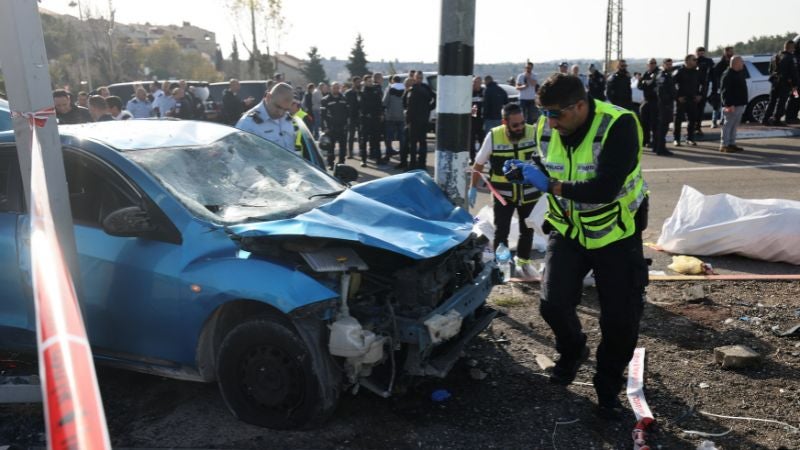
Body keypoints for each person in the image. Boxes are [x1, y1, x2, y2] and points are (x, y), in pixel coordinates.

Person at [504, 73, 649, 420]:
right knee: (552, 305)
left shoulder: (619, 125)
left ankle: (607, 387)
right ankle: (573, 352)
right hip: (568, 231)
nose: (550, 123)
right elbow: (545, 163)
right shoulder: (546, 126)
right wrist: (526, 171)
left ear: (581, 105)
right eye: (547, 114)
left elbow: (604, 189)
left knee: (620, 320)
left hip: (615, 235)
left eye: (557, 114)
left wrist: (550, 185)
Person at [468, 103, 541, 281]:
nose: (520, 128)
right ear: (504, 122)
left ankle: (523, 262)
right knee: (502, 232)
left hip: (530, 193)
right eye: (515, 125)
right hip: (504, 196)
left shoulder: (533, 132)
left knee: (528, 230)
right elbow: (478, 164)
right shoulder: (493, 136)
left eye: (522, 123)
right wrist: (472, 187)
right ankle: (503, 265)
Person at [236, 83, 296, 151]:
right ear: (268, 97)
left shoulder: (286, 118)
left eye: (286, 109)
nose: (281, 113)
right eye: (278, 107)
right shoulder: (248, 124)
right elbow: (240, 157)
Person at [403, 71, 436, 170]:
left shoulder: (425, 88)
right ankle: (412, 164)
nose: (419, 79)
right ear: (414, 77)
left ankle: (422, 163)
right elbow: (404, 102)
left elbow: (434, 98)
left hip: (422, 119)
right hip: (412, 120)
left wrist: (428, 109)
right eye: (417, 77)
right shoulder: (410, 89)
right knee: (412, 143)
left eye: (421, 78)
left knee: (422, 142)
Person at [762, 40, 799, 126]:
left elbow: (770, 70)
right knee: (782, 102)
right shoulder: (791, 58)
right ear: (791, 48)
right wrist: (796, 84)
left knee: (772, 101)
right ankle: (777, 119)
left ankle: (765, 118)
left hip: (775, 82)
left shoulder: (775, 56)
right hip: (785, 83)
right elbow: (793, 72)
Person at [719, 56, 748, 153]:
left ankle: (731, 144)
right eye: (741, 62)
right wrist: (728, 104)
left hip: (739, 103)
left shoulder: (739, 73)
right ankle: (724, 145)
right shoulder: (728, 75)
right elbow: (725, 91)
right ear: (735, 63)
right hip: (732, 105)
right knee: (728, 125)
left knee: (734, 125)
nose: (743, 64)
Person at [673, 54, 702, 146]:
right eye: (693, 59)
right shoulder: (679, 71)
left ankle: (690, 138)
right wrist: (678, 96)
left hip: (692, 99)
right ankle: (676, 139)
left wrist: (699, 95)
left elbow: (701, 84)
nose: (695, 61)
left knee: (692, 120)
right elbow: (672, 85)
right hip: (682, 100)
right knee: (678, 120)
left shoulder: (696, 72)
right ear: (687, 61)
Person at [320, 82, 350, 170]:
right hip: (331, 128)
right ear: (331, 88)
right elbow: (323, 115)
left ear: (339, 88)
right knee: (330, 147)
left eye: (337, 87)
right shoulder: (325, 99)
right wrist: (324, 127)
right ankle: (330, 163)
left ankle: (342, 163)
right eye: (334, 88)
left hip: (342, 127)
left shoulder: (344, 98)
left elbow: (348, 113)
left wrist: (347, 125)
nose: (336, 89)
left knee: (343, 147)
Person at [360, 76, 384, 167]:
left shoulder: (376, 91)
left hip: (375, 119)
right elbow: (361, 106)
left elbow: (379, 103)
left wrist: (381, 114)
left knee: (376, 139)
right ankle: (363, 160)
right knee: (364, 140)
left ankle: (379, 159)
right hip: (366, 119)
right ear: (365, 82)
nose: (370, 83)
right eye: (368, 81)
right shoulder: (362, 92)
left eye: (371, 81)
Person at [653, 58, 676, 156]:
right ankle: (660, 148)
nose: (670, 66)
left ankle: (659, 147)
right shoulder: (662, 75)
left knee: (663, 127)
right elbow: (661, 92)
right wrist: (667, 101)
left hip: (667, 104)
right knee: (663, 128)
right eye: (668, 64)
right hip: (664, 105)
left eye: (671, 64)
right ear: (663, 65)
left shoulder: (667, 75)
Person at [637, 59, 660, 148]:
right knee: (644, 122)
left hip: (656, 101)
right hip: (646, 100)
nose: (653, 64)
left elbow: (655, 85)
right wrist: (645, 82)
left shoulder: (658, 73)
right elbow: (640, 86)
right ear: (647, 64)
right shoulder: (646, 73)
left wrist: (646, 83)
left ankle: (655, 141)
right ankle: (646, 140)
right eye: (651, 63)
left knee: (655, 123)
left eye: (654, 63)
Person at [710, 46, 734, 128]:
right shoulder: (720, 64)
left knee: (726, 104)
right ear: (726, 52)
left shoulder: (732, 62)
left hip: (730, 86)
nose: (731, 53)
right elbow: (715, 76)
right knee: (717, 105)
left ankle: (723, 120)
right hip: (720, 87)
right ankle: (714, 121)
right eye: (730, 51)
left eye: (732, 51)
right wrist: (718, 86)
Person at [383, 75, 406, 159]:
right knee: (402, 137)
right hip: (401, 116)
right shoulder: (405, 89)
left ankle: (388, 154)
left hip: (391, 116)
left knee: (389, 136)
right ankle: (403, 154)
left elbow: (385, 102)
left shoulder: (389, 89)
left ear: (392, 81)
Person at [694, 46, 715, 136]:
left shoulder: (708, 61)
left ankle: (698, 127)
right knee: (693, 110)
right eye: (699, 52)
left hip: (704, 87)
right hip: (693, 88)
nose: (701, 54)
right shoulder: (694, 61)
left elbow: (713, 73)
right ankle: (692, 128)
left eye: (702, 52)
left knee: (700, 109)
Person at [345, 76, 362, 159]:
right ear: (354, 83)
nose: (359, 84)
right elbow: (345, 106)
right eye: (357, 82)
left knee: (361, 135)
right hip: (351, 117)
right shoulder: (348, 93)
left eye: (360, 82)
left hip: (360, 117)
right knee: (351, 135)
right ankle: (350, 152)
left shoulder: (361, 92)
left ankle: (361, 151)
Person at [470, 76, 485, 163]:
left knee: (481, 139)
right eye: (474, 82)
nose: (476, 84)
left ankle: (481, 159)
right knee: (471, 140)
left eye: (478, 82)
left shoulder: (483, 92)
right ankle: (472, 158)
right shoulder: (469, 92)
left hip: (481, 119)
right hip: (471, 119)